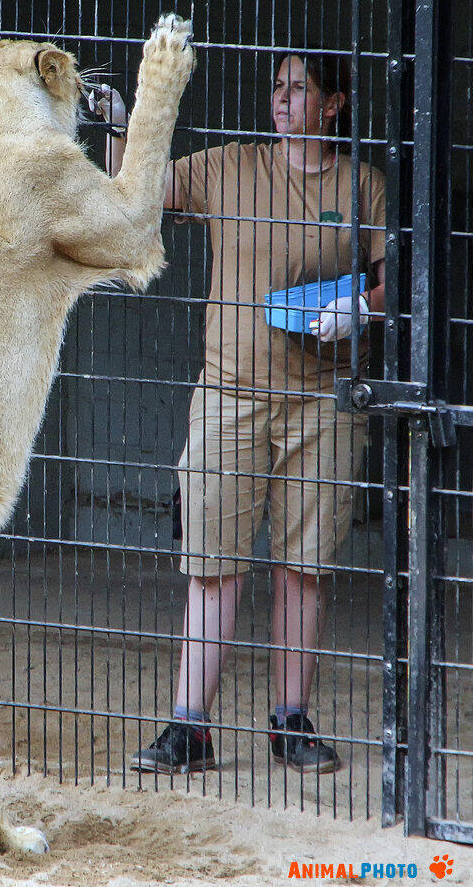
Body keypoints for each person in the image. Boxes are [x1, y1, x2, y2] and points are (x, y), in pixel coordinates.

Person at [91, 50, 386, 774]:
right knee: (212, 563)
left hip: (323, 402)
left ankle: (291, 722)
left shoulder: (362, 186)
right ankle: (188, 728)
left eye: (299, 89)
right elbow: (142, 191)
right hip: (229, 397)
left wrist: (361, 307)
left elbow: (398, 279)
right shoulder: (230, 167)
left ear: (333, 105)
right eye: (277, 87)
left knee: (302, 568)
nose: (282, 99)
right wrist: (124, 126)